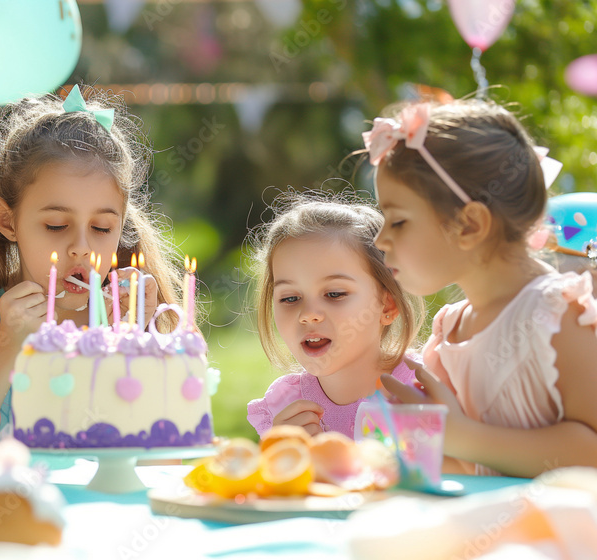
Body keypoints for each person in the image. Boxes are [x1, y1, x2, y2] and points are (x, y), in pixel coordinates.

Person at [0, 86, 184, 443]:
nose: (81, 248)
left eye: (101, 228)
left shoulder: (131, 324)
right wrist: (6, 343)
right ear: (8, 221)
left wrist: (134, 344)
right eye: (56, 226)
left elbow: (168, 446)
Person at [368, 99, 597, 477]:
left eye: (399, 221)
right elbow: (474, 469)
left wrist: (462, 437)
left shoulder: (558, 314)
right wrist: (420, 442)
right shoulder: (450, 330)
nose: (380, 239)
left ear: (470, 224)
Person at [247, 196, 423, 438]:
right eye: (289, 298)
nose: (308, 315)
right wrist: (284, 454)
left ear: (387, 306)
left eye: (334, 294)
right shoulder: (286, 407)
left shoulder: (421, 389)